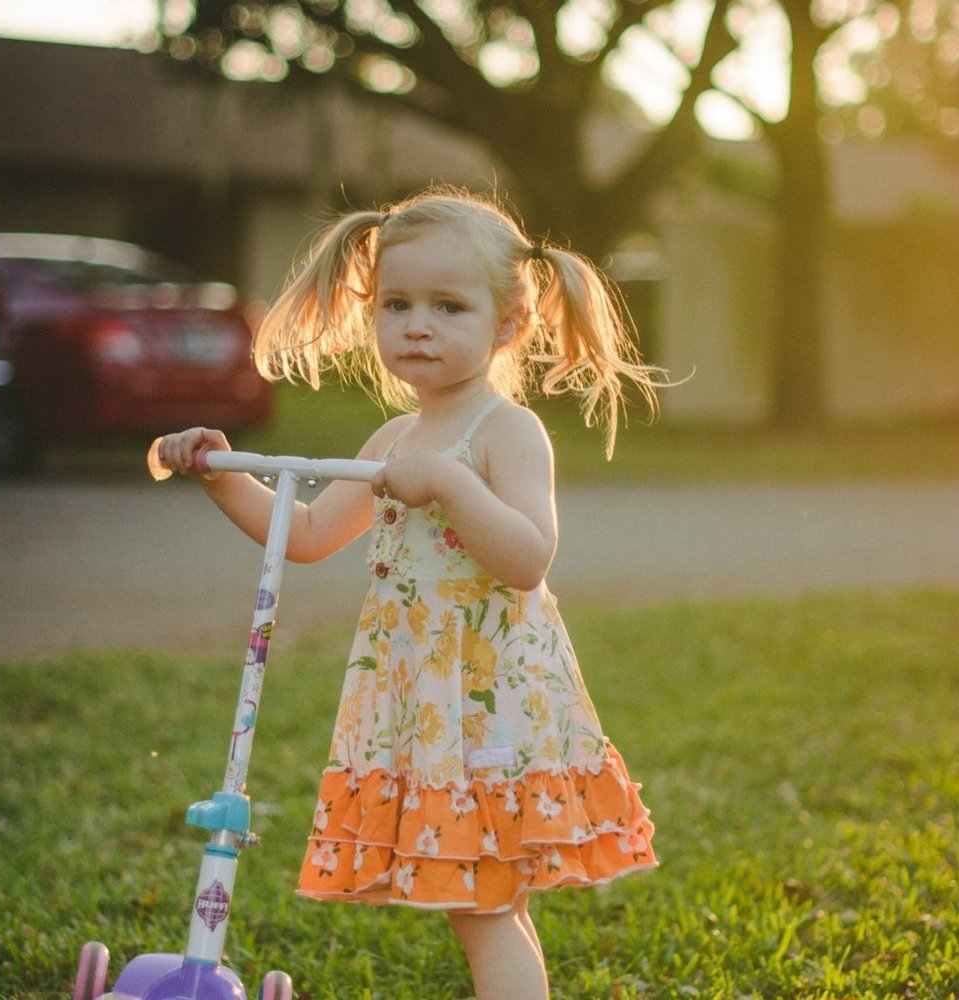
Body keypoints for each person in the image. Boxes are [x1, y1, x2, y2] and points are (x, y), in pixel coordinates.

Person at [155, 186, 660, 999]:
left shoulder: (506, 431)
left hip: (491, 705)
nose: (417, 325)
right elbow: (312, 535)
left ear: (508, 323)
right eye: (397, 304)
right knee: (484, 903)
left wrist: (451, 487)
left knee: (485, 907)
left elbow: (529, 557)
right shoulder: (395, 436)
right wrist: (226, 477)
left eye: (448, 306)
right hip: (427, 703)